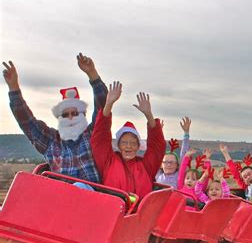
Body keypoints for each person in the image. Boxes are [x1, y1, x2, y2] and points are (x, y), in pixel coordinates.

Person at [3, 54, 107, 183]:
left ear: (83, 116)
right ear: (59, 118)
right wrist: (14, 89)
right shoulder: (51, 141)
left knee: (83, 187)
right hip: (62, 199)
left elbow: (103, 108)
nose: (70, 118)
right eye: (65, 114)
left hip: (95, 198)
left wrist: (92, 74)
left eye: (75, 113)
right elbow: (27, 122)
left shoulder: (92, 135)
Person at [90, 81, 166, 199]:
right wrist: (109, 104)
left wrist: (149, 115)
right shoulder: (108, 162)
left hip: (140, 215)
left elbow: (157, 146)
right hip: (113, 213)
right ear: (119, 145)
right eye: (124, 142)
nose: (128, 146)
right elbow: (100, 137)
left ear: (138, 147)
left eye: (133, 143)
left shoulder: (146, 166)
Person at [155, 117, 191, 188]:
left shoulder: (178, 175)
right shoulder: (158, 175)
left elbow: (184, 155)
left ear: (177, 165)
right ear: (161, 165)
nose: (168, 165)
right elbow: (156, 152)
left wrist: (186, 134)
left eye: (172, 162)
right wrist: (158, 133)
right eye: (165, 162)